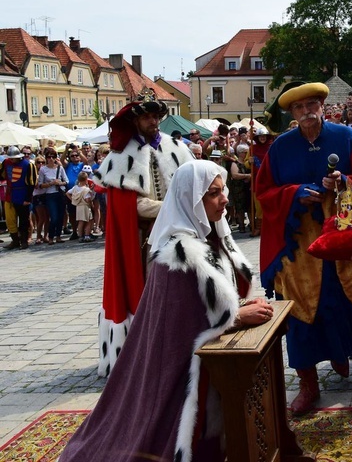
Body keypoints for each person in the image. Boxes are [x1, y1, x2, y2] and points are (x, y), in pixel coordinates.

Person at [59, 160, 267, 462]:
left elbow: (209, 301)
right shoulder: (177, 255)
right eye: (213, 194)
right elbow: (183, 324)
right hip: (180, 372)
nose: (225, 199)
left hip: (210, 367)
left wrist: (237, 306)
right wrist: (236, 318)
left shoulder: (210, 237)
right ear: (189, 199)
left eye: (222, 191)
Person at [255, 81, 352, 415]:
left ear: (322, 105)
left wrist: (344, 183)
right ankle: (308, 384)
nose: (306, 112)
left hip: (341, 237)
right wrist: (295, 193)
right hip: (299, 246)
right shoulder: (280, 148)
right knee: (302, 309)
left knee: (351, 298)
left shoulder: (346, 138)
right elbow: (264, 194)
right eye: (299, 108)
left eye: (311, 105)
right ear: (292, 113)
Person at [93, 97, 194, 377]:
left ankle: (181, 347)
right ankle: (148, 351)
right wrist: (174, 207)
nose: (153, 121)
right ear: (135, 121)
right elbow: (134, 206)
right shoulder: (122, 157)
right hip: (145, 241)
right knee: (153, 293)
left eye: (155, 116)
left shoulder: (177, 148)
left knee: (183, 291)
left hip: (181, 234)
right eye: (146, 117)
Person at [1, 146, 37, 250]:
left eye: (14, 157)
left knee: (23, 220)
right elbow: (2, 176)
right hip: (10, 194)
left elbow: (32, 183)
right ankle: (15, 241)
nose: (12, 159)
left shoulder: (28, 164)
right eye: (11, 157)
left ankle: (24, 241)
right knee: (10, 220)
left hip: (22, 195)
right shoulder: (6, 163)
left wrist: (27, 199)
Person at [37, 148, 68, 245]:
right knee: (53, 217)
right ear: (46, 158)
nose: (51, 159)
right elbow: (40, 185)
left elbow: (66, 181)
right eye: (49, 157)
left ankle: (58, 236)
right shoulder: (43, 169)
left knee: (60, 216)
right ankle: (51, 237)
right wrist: (51, 183)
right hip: (50, 194)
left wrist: (60, 183)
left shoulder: (60, 168)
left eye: (53, 157)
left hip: (60, 193)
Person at [66, 171, 95, 243]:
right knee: (88, 221)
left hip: (78, 206)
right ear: (86, 180)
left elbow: (67, 193)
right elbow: (87, 199)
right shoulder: (86, 190)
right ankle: (87, 236)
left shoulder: (75, 187)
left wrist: (73, 199)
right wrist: (91, 204)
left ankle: (80, 236)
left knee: (80, 222)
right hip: (85, 206)